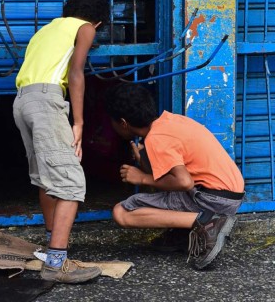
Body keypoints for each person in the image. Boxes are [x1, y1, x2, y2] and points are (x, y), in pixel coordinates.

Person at [13, 0, 109, 283]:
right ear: (98, 23)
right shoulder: (85, 28)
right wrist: (78, 123)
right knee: (70, 181)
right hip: (45, 100)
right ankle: (56, 264)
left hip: (21, 101)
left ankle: (52, 247)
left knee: (46, 178)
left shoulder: (45, 30)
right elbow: (77, 72)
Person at [104, 82, 245, 270]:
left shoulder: (156, 138)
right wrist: (143, 160)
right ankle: (184, 234)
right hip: (230, 193)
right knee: (163, 195)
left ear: (123, 123)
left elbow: (184, 182)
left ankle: (207, 223)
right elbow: (166, 178)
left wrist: (141, 178)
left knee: (121, 212)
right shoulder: (170, 121)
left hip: (212, 198)